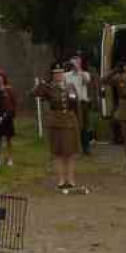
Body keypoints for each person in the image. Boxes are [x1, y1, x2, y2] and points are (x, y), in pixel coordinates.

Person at [34, 64, 87, 193]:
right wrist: (42, 83)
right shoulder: (49, 88)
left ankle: (71, 179)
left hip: (70, 121)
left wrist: (79, 122)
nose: (58, 75)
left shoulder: (70, 87)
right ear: (53, 75)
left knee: (71, 152)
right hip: (56, 122)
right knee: (58, 152)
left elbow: (76, 105)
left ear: (64, 74)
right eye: (56, 73)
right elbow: (35, 93)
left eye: (60, 73)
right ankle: (61, 180)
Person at [65, 57, 93, 154]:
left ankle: (86, 146)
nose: (75, 65)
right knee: (72, 124)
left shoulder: (84, 74)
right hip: (71, 103)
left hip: (82, 102)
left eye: (77, 62)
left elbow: (87, 81)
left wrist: (79, 70)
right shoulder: (66, 75)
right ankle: (73, 147)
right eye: (74, 63)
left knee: (84, 125)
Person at [0, 69, 16, 167]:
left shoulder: (9, 89)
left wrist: (10, 114)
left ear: (4, 78)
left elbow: (14, 103)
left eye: (0, 76)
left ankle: (10, 158)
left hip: (8, 117)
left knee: (8, 139)